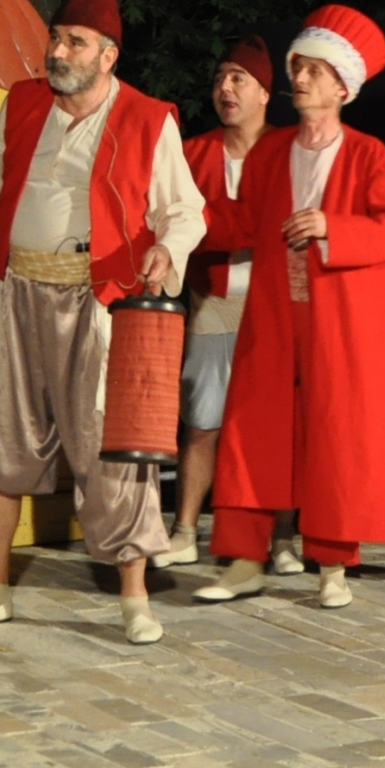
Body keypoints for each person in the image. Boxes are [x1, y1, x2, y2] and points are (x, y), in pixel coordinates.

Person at [0, 0, 205, 644]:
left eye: (75, 42)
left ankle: (135, 599)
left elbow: (185, 210)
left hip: (100, 303)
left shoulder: (148, 118)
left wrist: (168, 249)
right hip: (16, 294)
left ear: (108, 55)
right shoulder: (23, 103)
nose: (57, 51)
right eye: (55, 38)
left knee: (113, 447)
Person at [193, 5, 385, 610]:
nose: (300, 78)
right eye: (298, 67)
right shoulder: (271, 152)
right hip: (273, 314)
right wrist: (176, 222)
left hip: (341, 322)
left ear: (343, 87)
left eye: (315, 70)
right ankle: (244, 561)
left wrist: (332, 227)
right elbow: (241, 220)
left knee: (335, 435)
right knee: (250, 429)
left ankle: (333, 565)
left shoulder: (368, 154)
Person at [152, 34, 286, 570]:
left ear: (264, 93)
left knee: (274, 426)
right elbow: (178, 220)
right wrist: (239, 225)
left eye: (238, 79)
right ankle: (185, 528)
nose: (225, 88)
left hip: (275, 307)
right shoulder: (193, 153)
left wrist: (219, 222)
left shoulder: (291, 150)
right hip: (213, 299)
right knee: (202, 421)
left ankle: (282, 537)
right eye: (219, 79)